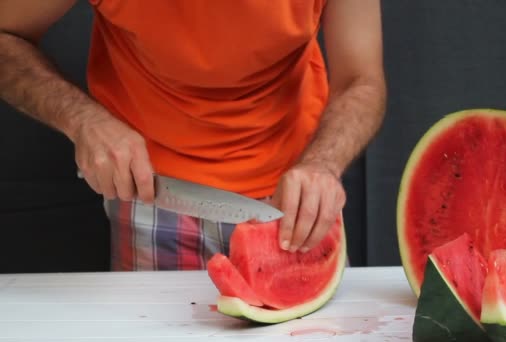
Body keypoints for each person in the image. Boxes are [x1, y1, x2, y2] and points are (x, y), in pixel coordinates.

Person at [0, 1, 386, 271]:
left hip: (297, 196)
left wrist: (323, 163)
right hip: (150, 191)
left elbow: (361, 80)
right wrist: (82, 118)